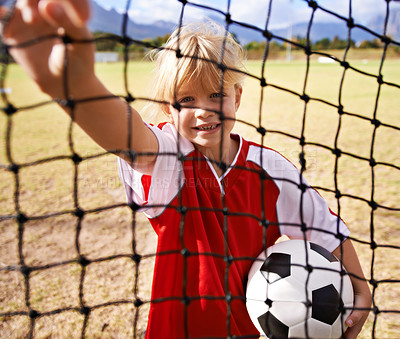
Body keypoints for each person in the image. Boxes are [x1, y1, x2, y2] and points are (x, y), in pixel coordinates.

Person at [1, 1, 371, 338]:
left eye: (216, 95)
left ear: (237, 97)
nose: (203, 110)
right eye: (186, 100)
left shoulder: (270, 168)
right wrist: (77, 86)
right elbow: (128, 138)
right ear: (167, 109)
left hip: (249, 330)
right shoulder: (169, 162)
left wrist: (360, 290)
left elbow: (325, 228)